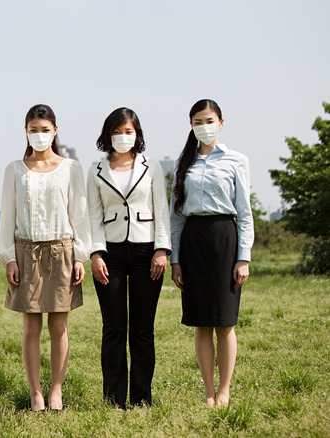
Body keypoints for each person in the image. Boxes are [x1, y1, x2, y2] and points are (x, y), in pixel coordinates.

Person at [0, 104, 91, 412]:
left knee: (59, 324)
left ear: (55, 130)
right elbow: (8, 215)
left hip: (61, 250)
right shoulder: (15, 169)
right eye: (33, 130)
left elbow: (78, 213)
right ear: (25, 132)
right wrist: (9, 258)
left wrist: (79, 256)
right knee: (31, 325)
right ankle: (35, 392)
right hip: (26, 250)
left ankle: (56, 390)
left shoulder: (71, 167)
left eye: (45, 129)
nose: (40, 135)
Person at [170, 99, 253, 408]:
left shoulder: (236, 160)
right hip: (193, 241)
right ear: (191, 125)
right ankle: (208, 390)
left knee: (224, 321)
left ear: (220, 122)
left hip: (224, 240)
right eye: (197, 121)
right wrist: (176, 258)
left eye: (209, 120)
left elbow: (245, 213)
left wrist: (243, 257)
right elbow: (176, 216)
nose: (203, 126)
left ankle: (225, 390)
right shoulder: (184, 162)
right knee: (200, 321)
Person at [86, 107, 171, 409]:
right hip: (110, 254)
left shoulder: (152, 166)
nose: (123, 137)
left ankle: (141, 398)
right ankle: (113, 400)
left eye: (129, 131)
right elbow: (93, 215)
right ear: (108, 135)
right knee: (113, 328)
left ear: (137, 135)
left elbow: (161, 208)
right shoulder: (96, 170)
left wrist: (162, 249)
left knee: (142, 329)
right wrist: (95, 254)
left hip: (147, 251)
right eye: (118, 131)